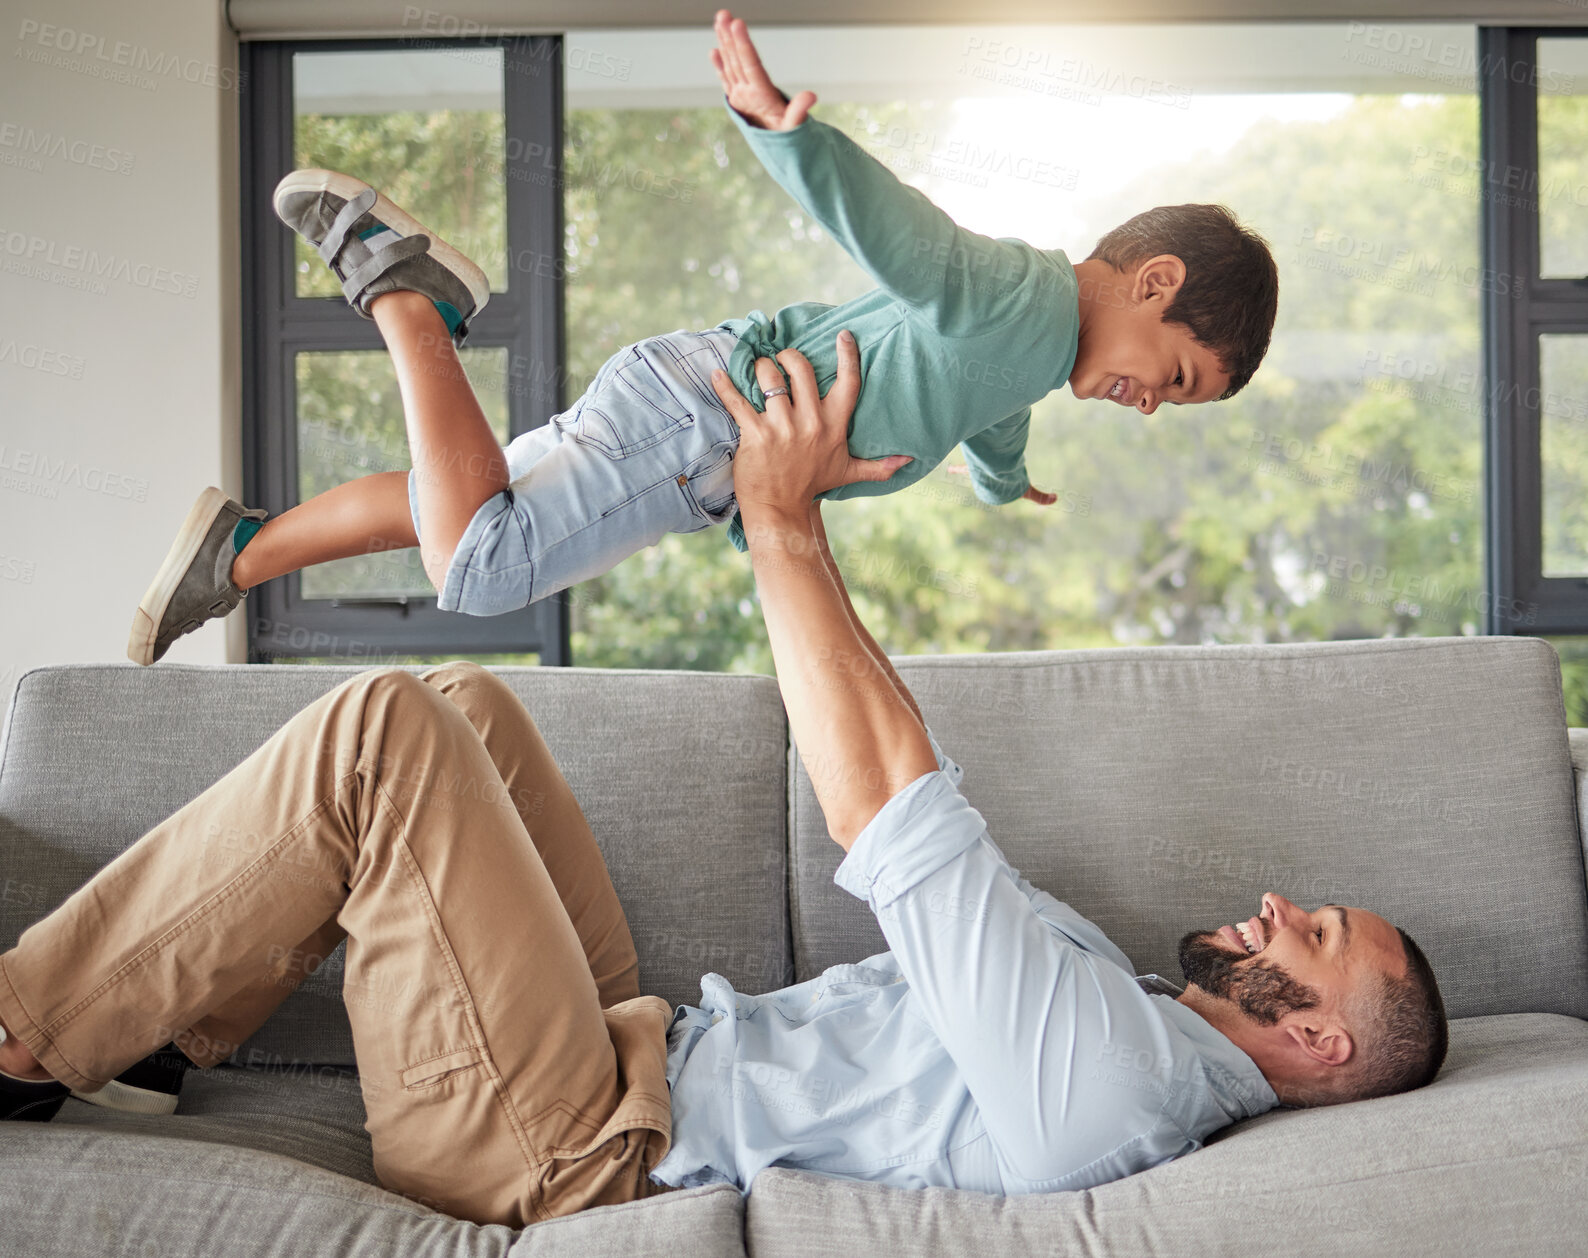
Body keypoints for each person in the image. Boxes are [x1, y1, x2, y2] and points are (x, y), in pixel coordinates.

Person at [6, 334, 1445, 1227]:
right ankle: (162, 1033)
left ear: (1317, 1047)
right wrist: (811, 527)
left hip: (569, 1146)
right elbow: (915, 771)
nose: (1275, 904)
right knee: (467, 707)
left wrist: (778, 512)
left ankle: (17, 1036)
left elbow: (889, 812)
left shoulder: (1114, 1080)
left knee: (383, 730)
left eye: (1311, 937)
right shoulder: (1126, 1012)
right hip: (624, 1048)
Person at [125, 9, 1279, 665]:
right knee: (481, 565)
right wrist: (791, 142)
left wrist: (1003, 482)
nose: (1148, 402)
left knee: (472, 494)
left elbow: (992, 413)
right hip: (695, 432)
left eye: (1172, 406)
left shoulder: (1023, 348)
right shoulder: (1023, 306)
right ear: (1153, 281)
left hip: (689, 401)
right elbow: (910, 244)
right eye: (1169, 377)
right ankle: (405, 292)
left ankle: (244, 551)